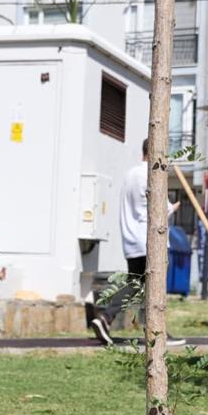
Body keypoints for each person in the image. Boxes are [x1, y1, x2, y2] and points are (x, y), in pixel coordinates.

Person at [91, 142, 147, 345]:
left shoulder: (130, 174)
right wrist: (174, 207)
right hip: (148, 239)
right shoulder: (152, 175)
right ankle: (156, 331)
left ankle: (106, 317)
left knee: (135, 283)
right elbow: (157, 208)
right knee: (152, 286)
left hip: (131, 238)